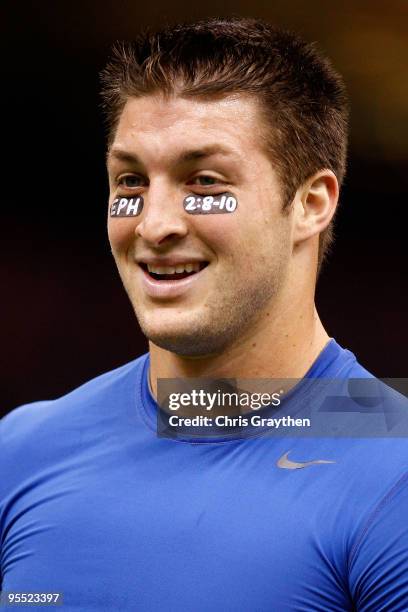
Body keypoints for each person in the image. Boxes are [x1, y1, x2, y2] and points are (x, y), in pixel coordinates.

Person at [1, 16, 407, 611]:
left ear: (310, 204)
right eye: (131, 180)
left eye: (204, 180)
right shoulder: (22, 451)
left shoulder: (394, 470)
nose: (155, 224)